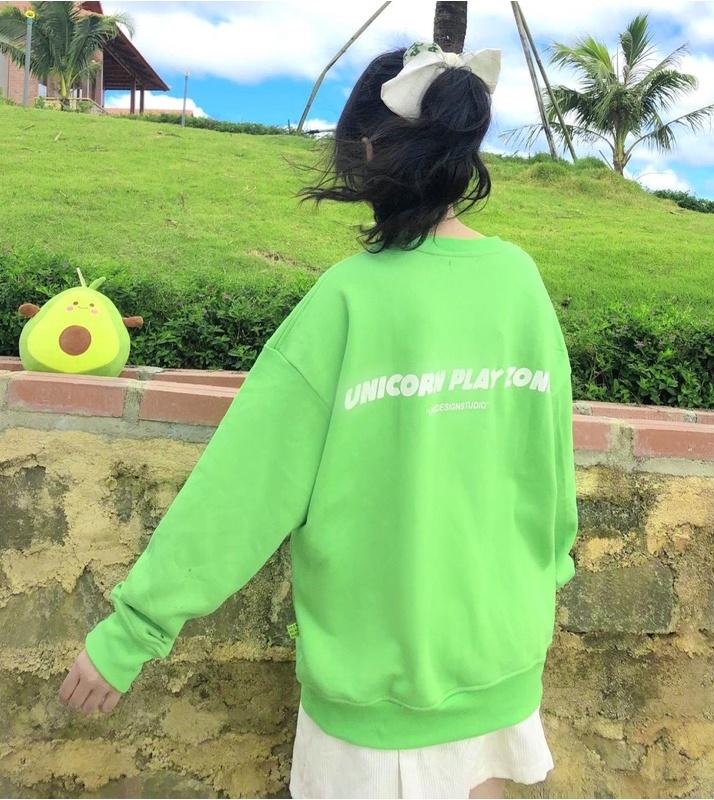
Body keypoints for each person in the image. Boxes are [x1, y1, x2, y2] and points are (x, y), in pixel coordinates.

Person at [58, 41, 579, 800]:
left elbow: (244, 488)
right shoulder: (520, 285)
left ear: (364, 151)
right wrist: (549, 566)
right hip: (504, 665)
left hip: (373, 709)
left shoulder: (345, 301)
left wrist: (131, 632)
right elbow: (550, 461)